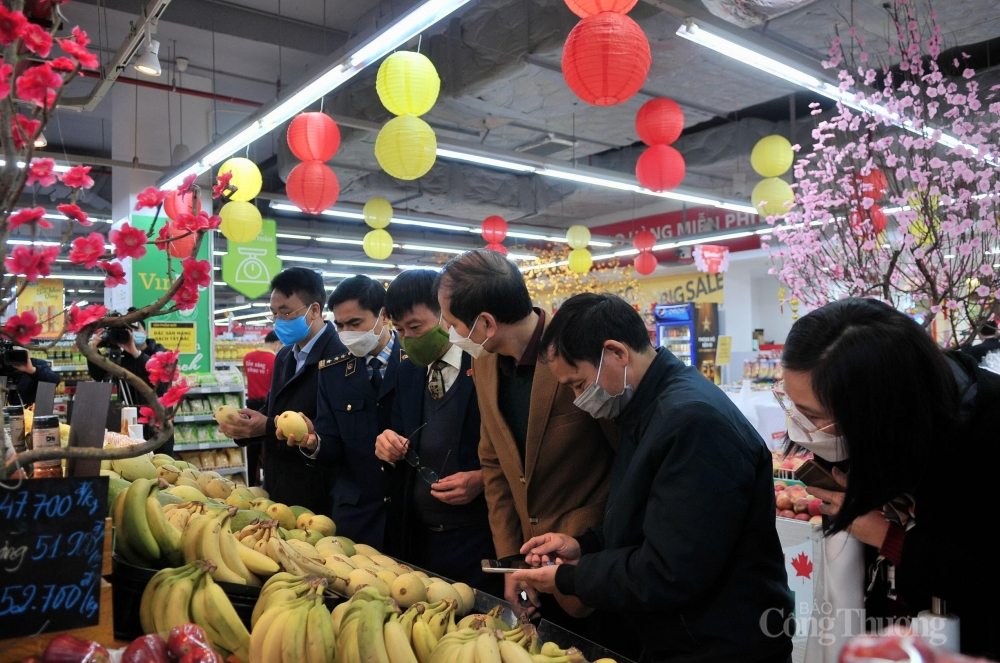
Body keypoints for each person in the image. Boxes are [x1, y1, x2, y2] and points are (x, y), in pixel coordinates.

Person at [511, 293, 793, 663]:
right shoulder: (649, 406)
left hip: (719, 643)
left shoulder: (692, 422)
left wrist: (568, 578)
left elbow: (670, 571)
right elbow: (653, 518)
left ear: (616, 353)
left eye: (579, 384)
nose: (580, 399)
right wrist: (584, 545)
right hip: (687, 634)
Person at [776, 297, 998, 658]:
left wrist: (883, 534)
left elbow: (980, 569)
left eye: (812, 415)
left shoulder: (984, 436)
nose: (801, 428)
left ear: (876, 412)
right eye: (791, 405)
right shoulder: (859, 431)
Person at [436, 250, 616, 630]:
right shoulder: (482, 363)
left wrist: (589, 539)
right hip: (529, 570)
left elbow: (625, 458)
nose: (448, 333)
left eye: (452, 324)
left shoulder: (576, 353)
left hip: (591, 566)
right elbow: (494, 465)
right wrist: (510, 563)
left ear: (485, 323)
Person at [374, 269, 498, 592]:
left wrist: (481, 480)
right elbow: (399, 432)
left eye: (416, 327)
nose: (409, 338)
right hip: (419, 538)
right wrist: (387, 445)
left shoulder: (486, 365)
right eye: (399, 330)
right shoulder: (406, 373)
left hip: (479, 536)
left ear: (445, 314)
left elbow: (516, 451)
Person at [216, 267, 342, 515]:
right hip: (278, 486)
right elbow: (272, 410)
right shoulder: (285, 355)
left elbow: (336, 431)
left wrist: (267, 426)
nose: (279, 321)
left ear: (314, 310)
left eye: (286, 312)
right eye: (274, 313)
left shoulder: (339, 358)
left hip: (317, 495)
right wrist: (246, 426)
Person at [290, 276, 403, 551]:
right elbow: (332, 443)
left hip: (407, 511)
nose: (346, 333)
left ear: (383, 316)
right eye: (339, 325)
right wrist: (314, 442)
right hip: (356, 513)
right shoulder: (332, 372)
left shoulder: (416, 364)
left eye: (355, 324)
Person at [241, 330, 282, 485]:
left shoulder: (248, 357)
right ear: (277, 342)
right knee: (267, 447)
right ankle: (266, 480)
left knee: (251, 446)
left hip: (251, 403)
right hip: (267, 406)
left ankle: (251, 480)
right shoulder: (275, 359)